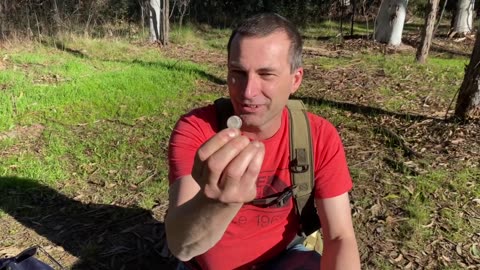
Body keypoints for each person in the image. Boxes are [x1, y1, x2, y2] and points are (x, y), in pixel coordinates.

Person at [165, 13, 361, 270]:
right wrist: (215, 202)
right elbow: (181, 245)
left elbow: (340, 236)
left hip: (285, 259)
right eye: (238, 72)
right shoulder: (198, 130)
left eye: (266, 74)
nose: (247, 92)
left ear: (295, 80)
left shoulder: (318, 136)